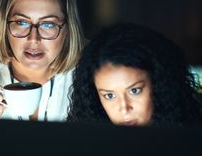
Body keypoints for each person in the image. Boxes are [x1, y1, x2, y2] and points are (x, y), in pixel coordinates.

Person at [68, 23, 202, 126]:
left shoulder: (192, 142)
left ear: (159, 84)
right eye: (109, 95)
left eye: (134, 91)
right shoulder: (90, 151)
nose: (124, 108)